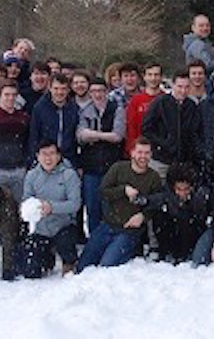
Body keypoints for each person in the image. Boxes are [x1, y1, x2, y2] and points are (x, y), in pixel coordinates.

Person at [77, 138, 162, 271]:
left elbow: (157, 203)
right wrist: (123, 190)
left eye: (147, 153)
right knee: (83, 266)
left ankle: (130, 251)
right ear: (132, 153)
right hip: (107, 226)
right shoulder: (118, 168)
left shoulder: (154, 177)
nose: (143, 157)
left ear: (151, 155)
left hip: (129, 232)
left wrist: (143, 216)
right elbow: (102, 192)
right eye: (140, 152)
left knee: (107, 267)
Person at [16, 140, 81, 278]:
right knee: (31, 272)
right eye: (44, 154)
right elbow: (26, 200)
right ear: (37, 156)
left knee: (65, 240)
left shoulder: (69, 175)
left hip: (63, 225)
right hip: (40, 228)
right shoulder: (32, 176)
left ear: (58, 156)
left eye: (52, 154)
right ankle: (47, 258)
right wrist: (31, 209)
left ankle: (69, 261)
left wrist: (52, 207)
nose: (48, 158)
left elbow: (75, 204)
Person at [77, 77, 126, 233]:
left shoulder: (117, 109)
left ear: (106, 92)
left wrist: (94, 135)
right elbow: (81, 136)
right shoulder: (84, 110)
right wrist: (106, 136)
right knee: (92, 208)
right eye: (93, 91)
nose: (97, 94)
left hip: (112, 166)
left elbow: (118, 136)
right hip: (90, 167)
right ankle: (94, 240)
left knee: (111, 207)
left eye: (100, 91)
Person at [138, 163, 209, 263]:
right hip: (172, 235)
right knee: (159, 216)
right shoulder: (167, 195)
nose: (182, 193)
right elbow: (156, 199)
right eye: (179, 189)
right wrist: (145, 201)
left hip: (190, 235)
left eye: (186, 189)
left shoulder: (198, 197)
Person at [141, 70, 202, 180]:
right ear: (173, 85)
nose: (183, 91)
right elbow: (146, 129)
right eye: (179, 86)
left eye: (187, 87)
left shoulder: (192, 106)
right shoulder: (160, 102)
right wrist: (163, 143)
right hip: (161, 160)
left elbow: (194, 132)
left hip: (184, 161)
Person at [28, 73, 79, 166]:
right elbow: (34, 135)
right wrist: (34, 160)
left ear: (68, 90)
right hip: (46, 159)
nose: (59, 92)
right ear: (50, 88)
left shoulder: (74, 108)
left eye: (63, 89)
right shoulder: (40, 108)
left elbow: (75, 137)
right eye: (56, 88)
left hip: (69, 158)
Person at [125, 63, 165, 155]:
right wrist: (132, 149)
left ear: (161, 77)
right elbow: (131, 128)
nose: (153, 78)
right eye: (150, 75)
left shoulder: (167, 99)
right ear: (144, 77)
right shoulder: (136, 101)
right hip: (140, 151)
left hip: (161, 151)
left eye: (156, 75)